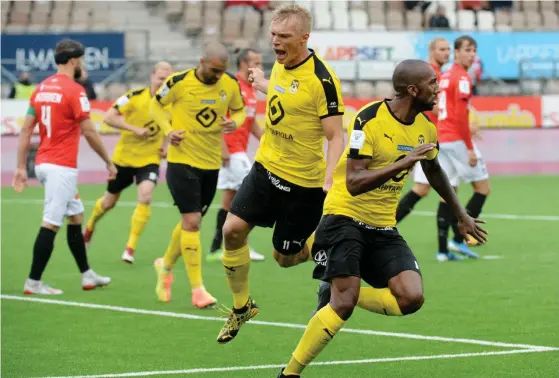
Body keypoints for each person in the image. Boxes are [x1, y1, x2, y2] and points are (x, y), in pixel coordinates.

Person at [276, 59, 488, 377]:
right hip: (344, 216)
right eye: (432, 83)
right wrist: (403, 163)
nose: (438, 88)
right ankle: (290, 372)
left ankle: (332, 280)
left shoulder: (426, 128)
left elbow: (432, 168)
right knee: (343, 304)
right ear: (413, 90)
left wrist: (461, 213)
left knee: (411, 297)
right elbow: (354, 182)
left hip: (383, 224)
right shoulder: (369, 118)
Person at [216, 4, 345, 344]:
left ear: (304, 38)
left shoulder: (323, 81)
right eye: (273, 35)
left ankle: (318, 246)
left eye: (284, 37)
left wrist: (330, 180)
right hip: (265, 169)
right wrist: (262, 82)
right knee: (232, 230)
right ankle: (242, 307)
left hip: (303, 186)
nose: (276, 42)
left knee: (285, 259)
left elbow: (336, 136)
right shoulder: (281, 66)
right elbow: (286, 95)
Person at [12, 39, 116, 295]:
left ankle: (87, 275)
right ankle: (33, 282)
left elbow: (26, 129)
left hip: (44, 162)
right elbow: (89, 131)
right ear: (73, 61)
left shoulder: (41, 88)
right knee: (51, 223)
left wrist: (20, 167)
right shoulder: (75, 90)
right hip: (61, 166)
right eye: (80, 60)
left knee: (76, 216)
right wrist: (108, 161)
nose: (81, 65)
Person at [150, 42, 246, 309]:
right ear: (201, 61)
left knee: (189, 224)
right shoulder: (178, 82)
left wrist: (233, 123)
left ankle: (165, 265)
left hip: (210, 164)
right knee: (192, 222)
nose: (218, 76)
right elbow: (155, 107)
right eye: (214, 70)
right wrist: (168, 131)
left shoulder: (229, 84)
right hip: (181, 162)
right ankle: (198, 290)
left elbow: (239, 110)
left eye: (222, 71)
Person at [84, 62, 174, 264]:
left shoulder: (172, 104)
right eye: (160, 78)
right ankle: (89, 227)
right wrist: (134, 129)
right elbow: (108, 117)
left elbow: (172, 125)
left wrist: (166, 145)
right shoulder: (133, 97)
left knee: (146, 196)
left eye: (167, 80)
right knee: (108, 203)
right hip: (124, 158)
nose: (163, 83)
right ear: (152, 76)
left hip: (149, 159)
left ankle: (130, 248)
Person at [396, 37, 475, 260]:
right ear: (432, 51)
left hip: (431, 136)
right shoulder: (428, 75)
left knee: (431, 189)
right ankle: (448, 245)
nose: (446, 53)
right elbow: (430, 107)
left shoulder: (438, 75)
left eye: (448, 49)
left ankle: (447, 246)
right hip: (427, 137)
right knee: (441, 189)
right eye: (442, 49)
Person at [434, 35, 490, 262]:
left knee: (449, 192)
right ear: (457, 53)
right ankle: (458, 239)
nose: (472, 54)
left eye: (474, 50)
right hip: (456, 139)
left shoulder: (446, 76)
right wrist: (469, 147)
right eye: (467, 49)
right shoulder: (463, 78)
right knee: (483, 188)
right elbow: (460, 116)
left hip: (442, 137)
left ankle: (443, 250)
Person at [208, 48, 265, 263]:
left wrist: (268, 141)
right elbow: (218, 118)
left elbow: (250, 124)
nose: (259, 66)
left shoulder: (252, 90)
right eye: (255, 62)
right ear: (243, 64)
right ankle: (240, 245)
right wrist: (222, 148)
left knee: (229, 201)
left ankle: (216, 248)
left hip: (239, 151)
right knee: (252, 195)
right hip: (231, 151)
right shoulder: (232, 86)